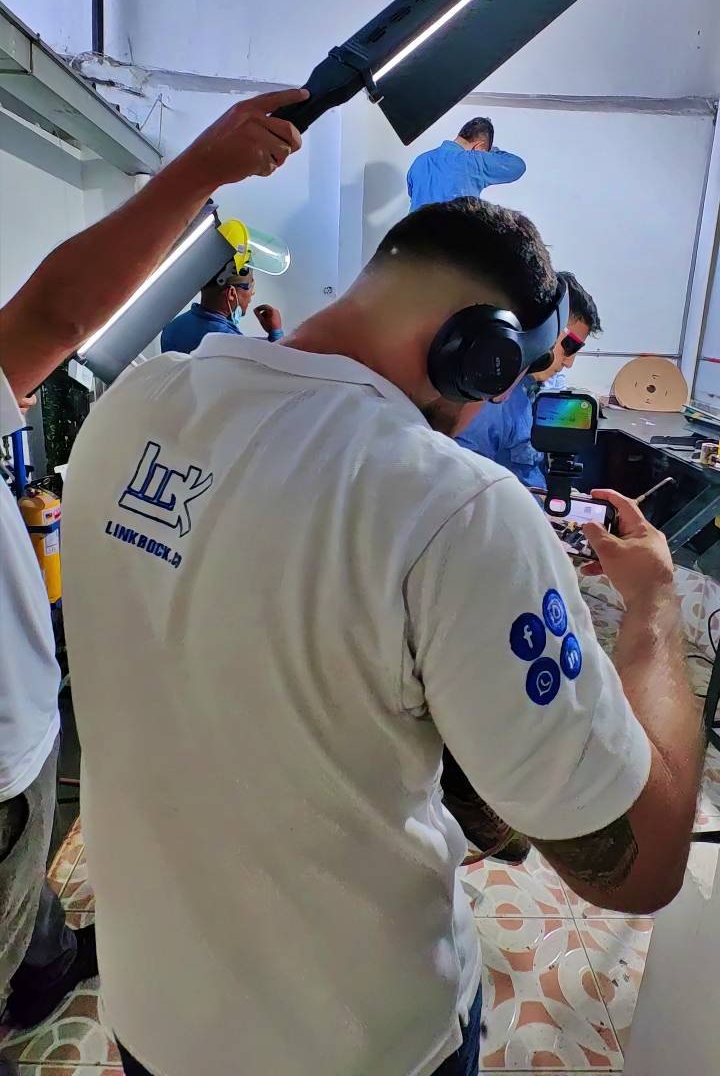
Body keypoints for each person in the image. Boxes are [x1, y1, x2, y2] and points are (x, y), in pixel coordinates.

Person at [61, 197, 701, 1076]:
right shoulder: (456, 507)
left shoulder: (132, 401)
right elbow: (639, 866)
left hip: (150, 1015)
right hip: (361, 1043)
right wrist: (655, 609)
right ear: (480, 353)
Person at [0, 87, 305, 1070]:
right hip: (11, 751)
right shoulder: (226, 346)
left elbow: (50, 318)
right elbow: (52, 317)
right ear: (229, 289)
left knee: (26, 894)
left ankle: (42, 963)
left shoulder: (174, 344)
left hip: (30, 731)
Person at [456, 270, 602, 489]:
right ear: (544, 328)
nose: (569, 362)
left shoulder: (541, 387)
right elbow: (468, 486)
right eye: (569, 346)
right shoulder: (491, 403)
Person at [160, 262, 283, 354]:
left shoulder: (172, 327)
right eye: (251, 285)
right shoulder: (230, 343)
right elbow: (279, 368)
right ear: (231, 294)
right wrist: (276, 332)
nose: (253, 292)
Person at [407, 116, 525, 211]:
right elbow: (517, 166)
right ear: (479, 147)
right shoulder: (474, 161)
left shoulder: (420, 160)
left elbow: (414, 196)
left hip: (413, 231)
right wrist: (491, 151)